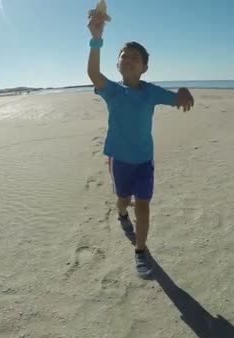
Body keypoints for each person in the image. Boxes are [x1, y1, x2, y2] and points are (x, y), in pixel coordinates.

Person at [86, 9, 195, 276]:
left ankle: (141, 251)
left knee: (144, 205)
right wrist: (96, 39)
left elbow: (176, 98)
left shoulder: (150, 91)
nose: (129, 59)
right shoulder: (112, 91)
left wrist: (182, 93)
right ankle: (122, 214)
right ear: (118, 65)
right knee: (123, 200)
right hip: (120, 161)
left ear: (144, 66)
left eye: (135, 57)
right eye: (124, 56)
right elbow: (93, 73)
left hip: (144, 161)